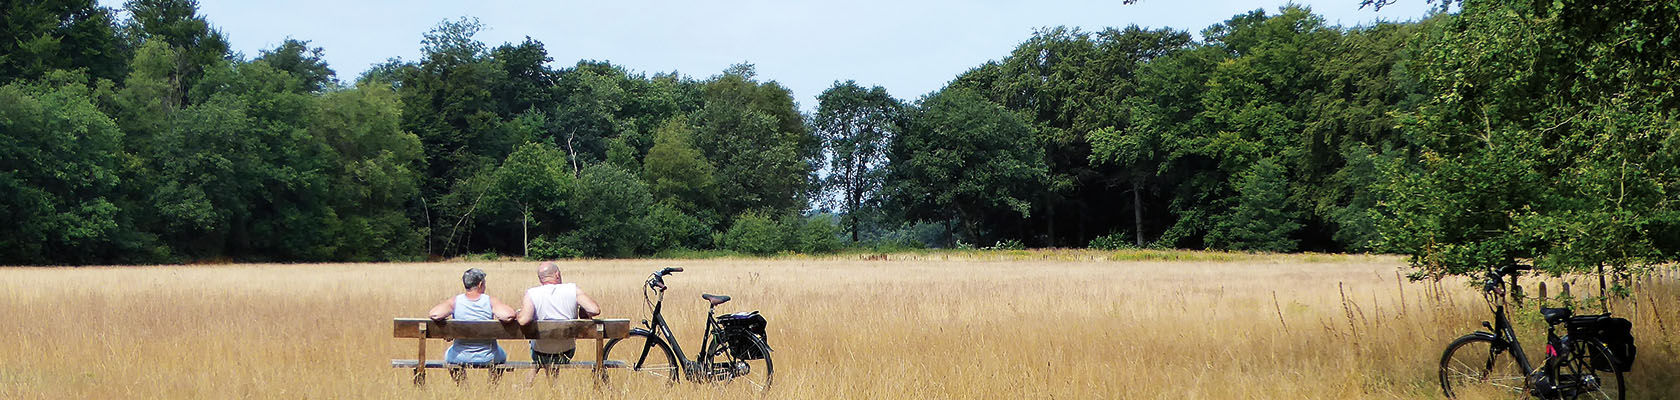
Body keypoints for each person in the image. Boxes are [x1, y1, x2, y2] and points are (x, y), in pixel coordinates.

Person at [517, 261, 602, 381]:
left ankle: (535, 384)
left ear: (540, 278)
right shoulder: (572, 289)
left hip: (540, 351)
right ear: (557, 274)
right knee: (550, 352)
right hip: (566, 351)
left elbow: (523, 320)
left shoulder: (532, 293)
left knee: (539, 351)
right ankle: (553, 387)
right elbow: (594, 309)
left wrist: (518, 313)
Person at [428, 268, 517, 367]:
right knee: (502, 353)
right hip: (489, 356)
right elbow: (508, 315)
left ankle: (461, 382)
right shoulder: (490, 301)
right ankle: (493, 382)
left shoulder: (455, 301)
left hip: (459, 357)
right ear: (480, 284)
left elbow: (434, 314)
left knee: (448, 353)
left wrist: (448, 327)